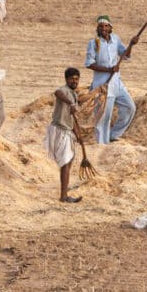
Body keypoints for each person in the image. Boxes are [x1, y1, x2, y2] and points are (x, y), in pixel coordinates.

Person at [84, 15, 138, 144]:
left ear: (110, 28)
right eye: (101, 26)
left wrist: (131, 44)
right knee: (103, 117)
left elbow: (126, 55)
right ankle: (102, 145)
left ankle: (113, 135)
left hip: (116, 83)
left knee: (130, 107)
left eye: (106, 26)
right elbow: (89, 64)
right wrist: (108, 69)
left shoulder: (116, 39)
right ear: (98, 28)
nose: (103, 28)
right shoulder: (93, 43)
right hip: (102, 85)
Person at [46, 67, 89, 203]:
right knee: (65, 163)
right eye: (72, 79)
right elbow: (57, 92)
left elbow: (71, 118)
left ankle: (64, 194)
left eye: (76, 79)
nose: (74, 81)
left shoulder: (74, 95)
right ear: (66, 79)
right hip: (60, 130)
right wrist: (70, 102)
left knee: (68, 162)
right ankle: (63, 196)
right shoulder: (64, 91)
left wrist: (78, 135)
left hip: (67, 130)